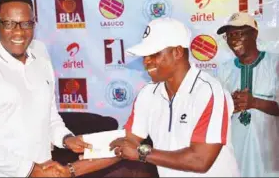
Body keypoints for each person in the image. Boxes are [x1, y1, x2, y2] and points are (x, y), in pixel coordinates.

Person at [47, 18, 240, 177]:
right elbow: (126, 144)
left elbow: (200, 160)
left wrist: (141, 153)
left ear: (177, 53)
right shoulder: (149, 94)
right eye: (145, 55)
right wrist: (69, 171)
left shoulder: (209, 92)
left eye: (154, 54)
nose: (146, 61)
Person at [0, 0, 91, 177]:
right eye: (10, 24)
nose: (19, 32)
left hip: (43, 170)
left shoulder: (41, 58)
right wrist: (30, 170)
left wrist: (66, 138)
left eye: (27, 23)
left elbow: (49, 115)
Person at [216, 12, 279, 177]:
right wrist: (230, 105)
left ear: (254, 34)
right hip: (236, 157)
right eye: (229, 35)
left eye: (239, 33)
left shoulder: (275, 64)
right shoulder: (224, 70)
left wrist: (254, 102)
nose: (233, 39)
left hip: (270, 159)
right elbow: (216, 113)